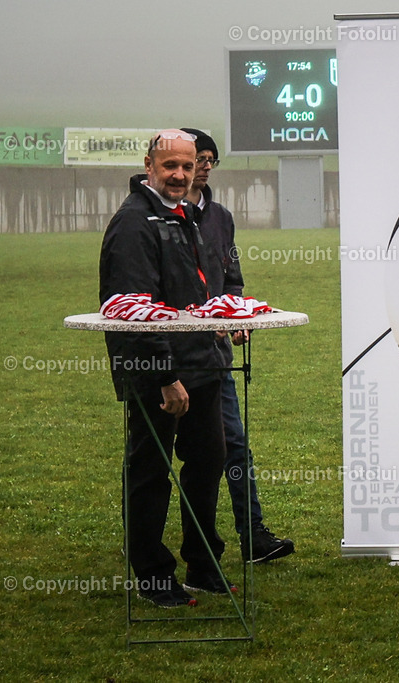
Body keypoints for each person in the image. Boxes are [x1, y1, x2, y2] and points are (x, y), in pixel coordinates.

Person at [99, 130, 229, 607]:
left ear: (198, 168)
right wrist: (163, 376)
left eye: (187, 166)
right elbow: (131, 307)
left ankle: (202, 561)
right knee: (151, 472)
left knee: (208, 464)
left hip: (203, 365)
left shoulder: (188, 216)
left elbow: (203, 288)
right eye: (169, 165)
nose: (179, 174)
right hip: (159, 372)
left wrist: (229, 318)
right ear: (149, 164)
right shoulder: (134, 222)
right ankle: (153, 576)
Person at [181, 127, 295, 563]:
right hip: (166, 356)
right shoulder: (152, 216)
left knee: (234, 445)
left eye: (210, 160)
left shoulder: (221, 217)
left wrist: (237, 317)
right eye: (198, 159)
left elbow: (232, 278)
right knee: (152, 453)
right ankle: (144, 543)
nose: (205, 168)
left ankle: (253, 537)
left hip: (215, 357)